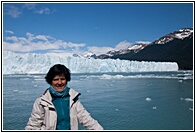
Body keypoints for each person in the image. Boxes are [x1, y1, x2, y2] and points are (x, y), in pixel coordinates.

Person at [25, 64, 103, 130]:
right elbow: (33, 125)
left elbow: (86, 119)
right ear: (50, 81)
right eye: (56, 79)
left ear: (67, 80)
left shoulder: (73, 99)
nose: (59, 82)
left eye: (62, 79)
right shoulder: (42, 102)